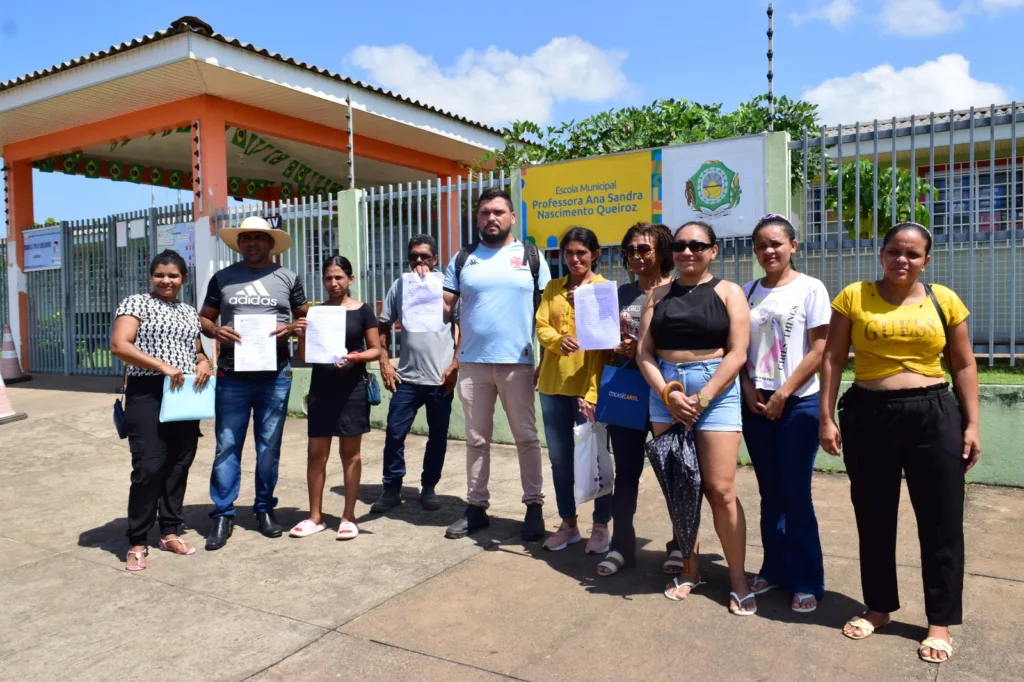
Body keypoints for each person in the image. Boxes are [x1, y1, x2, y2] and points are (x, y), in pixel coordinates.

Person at [820, 222, 980, 664]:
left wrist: (971, 425)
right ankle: (879, 607)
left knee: (942, 521)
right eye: (894, 251)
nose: (902, 260)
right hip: (869, 414)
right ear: (881, 254)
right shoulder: (854, 296)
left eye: (912, 254)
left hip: (934, 414)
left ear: (926, 260)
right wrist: (826, 417)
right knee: (873, 516)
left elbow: (964, 364)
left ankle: (940, 621)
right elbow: (832, 358)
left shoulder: (943, 300)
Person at [637, 220, 755, 616]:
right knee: (681, 486)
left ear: (713, 250)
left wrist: (702, 397)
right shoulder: (658, 295)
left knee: (720, 489)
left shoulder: (729, 292)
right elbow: (644, 353)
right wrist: (670, 394)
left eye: (697, 245)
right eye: (681, 246)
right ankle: (691, 569)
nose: (688, 252)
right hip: (667, 392)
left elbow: (737, 353)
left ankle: (738, 578)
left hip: (715, 389)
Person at [441, 187, 551, 541]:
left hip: (517, 364)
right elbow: (444, 305)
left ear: (512, 217)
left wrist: (545, 359)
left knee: (526, 438)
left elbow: (549, 311)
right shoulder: (462, 258)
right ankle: (476, 507)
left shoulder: (531, 256)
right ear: (477, 218)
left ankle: (533, 506)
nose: (492, 218)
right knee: (475, 439)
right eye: (485, 212)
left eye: (499, 212)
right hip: (472, 365)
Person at [199, 216, 308, 551]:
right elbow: (204, 317)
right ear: (239, 243)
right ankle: (223, 513)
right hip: (233, 374)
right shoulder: (223, 278)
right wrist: (216, 331)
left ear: (271, 244)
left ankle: (264, 509)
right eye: (246, 238)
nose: (253, 244)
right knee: (227, 445)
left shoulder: (288, 278)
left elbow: (305, 317)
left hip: (275, 374)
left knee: (268, 446)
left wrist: (291, 329)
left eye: (259, 238)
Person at [740, 214, 830, 613]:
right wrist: (748, 390)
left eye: (776, 243)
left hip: (798, 403)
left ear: (793, 245)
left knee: (795, 493)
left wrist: (784, 393)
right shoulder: (746, 292)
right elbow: (737, 351)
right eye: (761, 245)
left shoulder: (811, 288)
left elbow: (820, 350)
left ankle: (806, 578)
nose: (769, 251)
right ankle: (773, 568)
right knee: (769, 492)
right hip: (756, 404)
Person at [110, 250, 213, 571]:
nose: (166, 281)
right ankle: (137, 539)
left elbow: (195, 350)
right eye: (160, 275)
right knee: (149, 467)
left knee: (179, 463)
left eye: (173, 275)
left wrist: (204, 363)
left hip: (184, 394)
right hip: (147, 394)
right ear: (151, 276)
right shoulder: (135, 303)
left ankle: (169, 531)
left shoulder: (188, 312)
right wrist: (162, 366)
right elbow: (120, 345)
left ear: (184, 278)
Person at [595, 222, 675, 577]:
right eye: (630, 250)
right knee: (626, 471)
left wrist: (646, 348)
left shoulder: (678, 292)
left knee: (673, 471)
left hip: (665, 391)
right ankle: (621, 546)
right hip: (626, 389)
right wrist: (614, 344)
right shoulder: (620, 294)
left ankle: (680, 546)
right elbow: (599, 337)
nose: (636, 256)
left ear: (662, 252)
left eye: (644, 249)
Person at [289, 255, 381, 540]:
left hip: (352, 390)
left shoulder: (363, 310)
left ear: (350, 280)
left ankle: (348, 516)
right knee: (316, 454)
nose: (334, 282)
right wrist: (301, 334)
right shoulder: (315, 313)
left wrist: (355, 357)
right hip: (322, 390)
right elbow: (305, 357)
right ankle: (315, 517)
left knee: (350, 455)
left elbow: (376, 349)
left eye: (339, 277)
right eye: (328, 277)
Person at [372, 235, 460, 513]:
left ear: (435, 260)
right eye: (414, 257)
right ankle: (391, 488)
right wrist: (385, 363)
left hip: (439, 379)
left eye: (425, 256)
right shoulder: (400, 286)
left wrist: (455, 366)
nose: (419, 262)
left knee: (437, 436)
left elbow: (463, 327)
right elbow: (383, 324)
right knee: (394, 435)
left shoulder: (447, 286)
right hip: (407, 378)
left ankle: (429, 487)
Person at [535, 227, 610, 553]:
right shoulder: (553, 287)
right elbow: (541, 325)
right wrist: (555, 340)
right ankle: (568, 524)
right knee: (560, 459)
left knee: (595, 460)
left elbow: (606, 346)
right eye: (569, 253)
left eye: (582, 253)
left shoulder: (604, 290)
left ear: (594, 254)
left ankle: (600, 525)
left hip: (587, 388)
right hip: (552, 386)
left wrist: (593, 393)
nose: (575, 259)